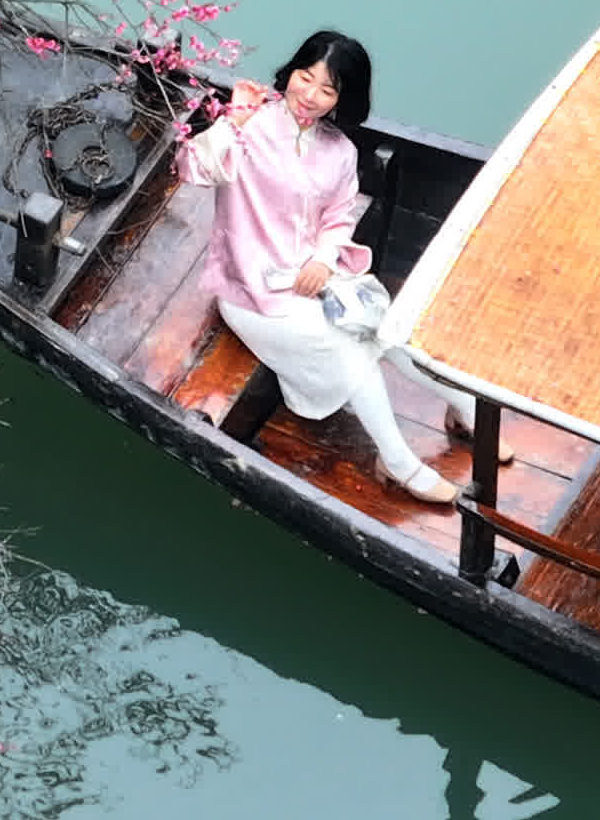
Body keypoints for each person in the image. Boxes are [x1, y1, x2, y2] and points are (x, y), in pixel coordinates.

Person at [178, 29, 470, 503]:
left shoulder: (339, 150)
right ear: (291, 71)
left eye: (327, 89)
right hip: (253, 290)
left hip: (316, 279)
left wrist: (322, 258)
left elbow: (338, 215)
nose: (309, 96)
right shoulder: (250, 125)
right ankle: (397, 461)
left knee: (385, 328)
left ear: (341, 99)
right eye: (304, 77)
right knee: (350, 352)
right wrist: (233, 121)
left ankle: (464, 409)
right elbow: (192, 168)